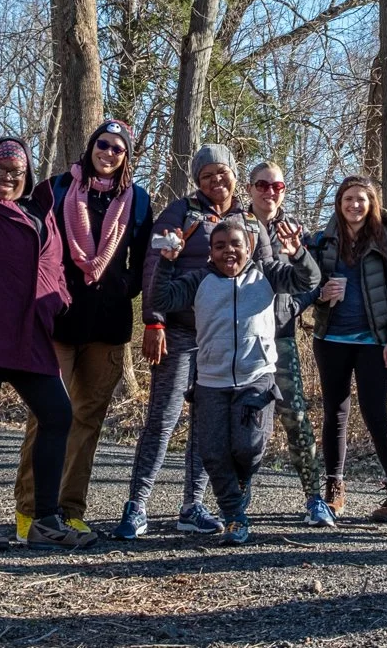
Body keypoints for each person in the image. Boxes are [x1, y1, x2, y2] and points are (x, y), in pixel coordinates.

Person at [0, 48, 94, 551]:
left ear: (28, 175)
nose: (9, 175)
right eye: (1, 167)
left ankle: (45, 517)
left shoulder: (36, 214)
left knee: (58, 416)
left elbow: (53, 268)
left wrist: (59, 303)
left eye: (18, 169)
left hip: (28, 336)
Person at [113, 145, 273, 539]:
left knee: (209, 426)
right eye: (207, 176)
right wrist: (154, 321)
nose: (216, 182)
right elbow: (155, 264)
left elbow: (271, 270)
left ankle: (193, 506)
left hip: (224, 339)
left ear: (235, 175)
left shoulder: (249, 218)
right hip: (181, 332)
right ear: (197, 181)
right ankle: (137, 505)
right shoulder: (179, 212)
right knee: (162, 420)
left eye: (223, 173)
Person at [11, 117, 153, 542]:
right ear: (90, 146)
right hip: (56, 322)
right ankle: (30, 511)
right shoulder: (54, 190)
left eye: (118, 148)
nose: (108, 153)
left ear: (126, 157)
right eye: (103, 144)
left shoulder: (139, 201)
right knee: (46, 415)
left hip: (108, 327)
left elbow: (145, 262)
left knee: (87, 420)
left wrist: (122, 287)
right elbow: (29, 245)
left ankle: (70, 510)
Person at [152, 217, 331, 543]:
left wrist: (297, 253)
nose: (228, 252)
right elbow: (162, 299)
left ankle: (243, 483)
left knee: (249, 448)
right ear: (210, 252)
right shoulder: (199, 280)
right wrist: (167, 264)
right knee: (213, 453)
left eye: (235, 244)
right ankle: (235, 515)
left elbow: (309, 281)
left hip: (256, 379)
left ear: (248, 247)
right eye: (220, 246)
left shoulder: (267, 273)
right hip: (210, 382)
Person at [308, 174, 387, 522]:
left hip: (374, 342)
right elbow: (305, 286)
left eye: (361, 199)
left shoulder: (385, 243)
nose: (354, 205)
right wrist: (321, 295)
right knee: (334, 413)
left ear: (372, 204)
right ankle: (334, 488)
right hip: (331, 338)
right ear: (339, 203)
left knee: (375, 412)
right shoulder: (323, 242)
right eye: (348, 198)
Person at [246, 161, 334, 528]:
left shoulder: (295, 230)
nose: (270, 192)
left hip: (280, 337)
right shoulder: (236, 225)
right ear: (250, 189)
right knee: (243, 422)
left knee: (296, 417)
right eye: (262, 185)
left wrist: (294, 306)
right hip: (240, 339)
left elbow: (311, 280)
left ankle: (315, 498)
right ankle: (236, 499)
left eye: (277, 186)